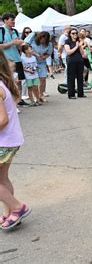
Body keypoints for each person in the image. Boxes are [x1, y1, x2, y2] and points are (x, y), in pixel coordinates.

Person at [0, 50, 31, 230]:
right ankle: (9, 211)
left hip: (4, 142)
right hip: (11, 140)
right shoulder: (5, 83)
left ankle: (18, 208)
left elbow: (3, 119)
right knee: (2, 179)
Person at [0, 13, 28, 107]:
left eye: (14, 20)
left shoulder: (15, 31)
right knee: (10, 81)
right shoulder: (1, 30)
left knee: (19, 80)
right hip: (7, 60)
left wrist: (20, 44)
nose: (13, 21)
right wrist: (12, 43)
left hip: (17, 59)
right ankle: (11, 101)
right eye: (12, 20)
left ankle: (19, 99)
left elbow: (18, 46)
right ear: (5, 20)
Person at [28, 31, 53, 100]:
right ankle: (35, 95)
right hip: (32, 63)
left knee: (43, 78)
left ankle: (41, 94)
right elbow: (26, 46)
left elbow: (49, 53)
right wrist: (36, 55)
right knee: (34, 79)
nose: (42, 40)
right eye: (41, 38)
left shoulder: (49, 44)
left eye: (45, 39)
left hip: (42, 63)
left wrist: (44, 56)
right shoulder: (32, 42)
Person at [64, 28, 86, 99]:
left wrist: (80, 46)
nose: (75, 35)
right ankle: (71, 94)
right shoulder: (67, 42)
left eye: (76, 33)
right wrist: (76, 46)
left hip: (80, 61)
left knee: (80, 77)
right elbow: (68, 52)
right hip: (71, 61)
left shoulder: (78, 41)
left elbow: (82, 53)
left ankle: (81, 93)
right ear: (70, 34)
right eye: (73, 33)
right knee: (71, 77)